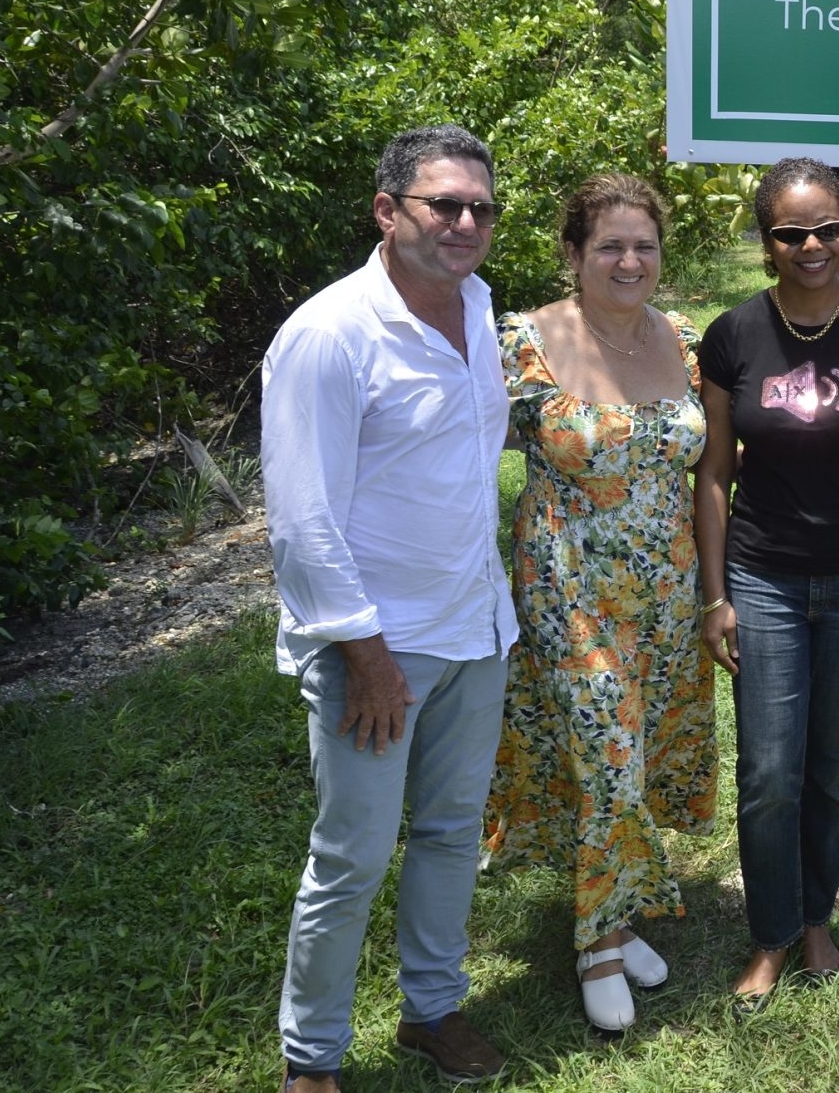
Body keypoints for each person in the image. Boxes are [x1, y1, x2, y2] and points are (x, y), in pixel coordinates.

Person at [263, 125, 515, 1091]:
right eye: (441, 205)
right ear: (387, 211)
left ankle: (433, 1011)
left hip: (475, 629)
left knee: (453, 836)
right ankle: (313, 1060)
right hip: (377, 650)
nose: (463, 224)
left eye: (479, 209)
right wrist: (367, 659)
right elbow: (300, 521)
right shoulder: (330, 334)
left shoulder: (479, 306)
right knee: (352, 858)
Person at [695, 157, 839, 1011]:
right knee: (768, 771)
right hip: (761, 579)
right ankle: (771, 935)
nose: (813, 245)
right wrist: (714, 595)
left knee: (835, 766)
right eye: (792, 232)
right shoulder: (731, 336)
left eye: (829, 229)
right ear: (766, 242)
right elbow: (715, 472)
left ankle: (819, 918)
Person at [481, 173, 715, 1032]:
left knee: (636, 757)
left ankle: (613, 912)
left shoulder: (685, 340)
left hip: (667, 593)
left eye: (643, 245)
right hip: (570, 591)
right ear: (574, 254)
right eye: (609, 246)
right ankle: (598, 945)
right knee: (608, 748)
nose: (628, 260)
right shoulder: (520, 340)